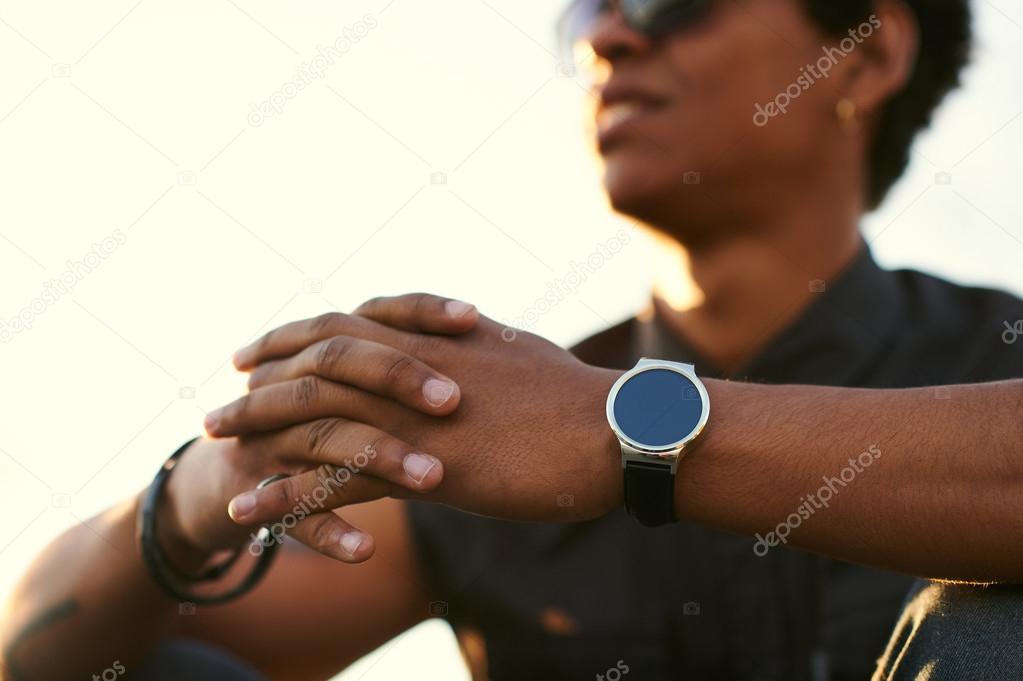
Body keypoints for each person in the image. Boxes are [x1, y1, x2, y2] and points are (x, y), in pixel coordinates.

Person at [5, 0, 1019, 679]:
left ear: (872, 50)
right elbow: (34, 652)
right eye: (590, 9)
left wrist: (615, 431)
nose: (610, 39)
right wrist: (201, 488)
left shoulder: (996, 355)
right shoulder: (483, 437)